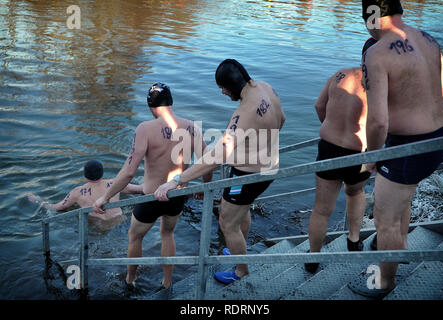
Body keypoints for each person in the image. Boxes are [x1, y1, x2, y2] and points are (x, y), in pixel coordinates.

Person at [349, 0, 443, 299]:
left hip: (408, 146)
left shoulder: (377, 53)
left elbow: (378, 121)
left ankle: (383, 282)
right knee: (401, 201)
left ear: (372, 16)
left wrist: (373, 156)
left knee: (385, 216)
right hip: (441, 136)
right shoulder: (428, 38)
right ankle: (399, 249)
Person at [154, 59, 286, 285]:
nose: (223, 92)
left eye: (223, 87)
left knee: (227, 221)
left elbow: (217, 156)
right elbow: (281, 119)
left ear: (233, 84)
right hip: (270, 166)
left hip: (247, 175)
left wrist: (177, 180)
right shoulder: (266, 88)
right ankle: (239, 250)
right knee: (242, 211)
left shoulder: (243, 112)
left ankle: (241, 271)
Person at [93, 83, 212, 290]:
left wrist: (105, 197)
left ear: (150, 106)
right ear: (171, 102)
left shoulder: (144, 129)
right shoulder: (193, 127)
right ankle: (167, 283)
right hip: (177, 195)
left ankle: (130, 279)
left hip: (151, 198)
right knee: (167, 234)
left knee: (135, 236)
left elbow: (129, 171)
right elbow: (207, 162)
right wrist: (204, 186)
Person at [305, 38, 377, 273]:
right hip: (361, 152)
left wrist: (331, 129)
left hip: (329, 148)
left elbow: (318, 106)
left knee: (321, 208)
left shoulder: (341, 74)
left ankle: (313, 257)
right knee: (355, 193)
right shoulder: (382, 85)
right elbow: (381, 123)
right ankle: (353, 241)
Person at [28, 159, 143, 222]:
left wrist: (38, 200)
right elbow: (140, 189)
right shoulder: (115, 183)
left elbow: (57, 207)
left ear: (85, 176)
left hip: (99, 227)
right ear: (102, 173)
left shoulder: (77, 192)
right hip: (120, 221)